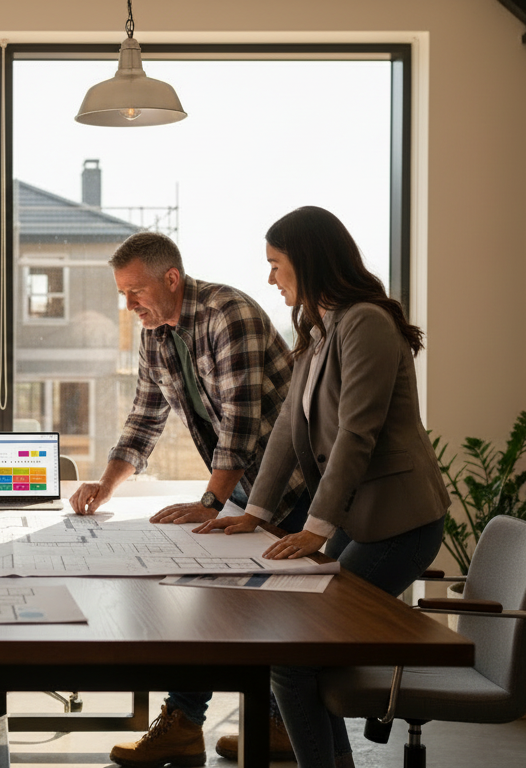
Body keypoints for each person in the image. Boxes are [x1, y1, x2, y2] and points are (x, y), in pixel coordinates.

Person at [198, 206, 448, 768]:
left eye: (276, 264)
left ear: (307, 262)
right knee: (308, 649)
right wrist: (256, 512)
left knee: (295, 656)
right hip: (363, 520)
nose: (270, 278)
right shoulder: (321, 331)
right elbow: (287, 429)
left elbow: (357, 434)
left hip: (399, 523)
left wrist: (315, 529)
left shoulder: (366, 324)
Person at [70, 231, 310, 768]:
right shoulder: (157, 333)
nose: (127, 306)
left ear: (171, 279)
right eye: (123, 295)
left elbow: (241, 422)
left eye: (135, 293)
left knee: (281, 610)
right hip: (243, 487)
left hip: (293, 488)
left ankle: (277, 724)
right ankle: (186, 724)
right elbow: (144, 418)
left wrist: (210, 502)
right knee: (202, 593)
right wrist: (102, 487)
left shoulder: (230, 315)